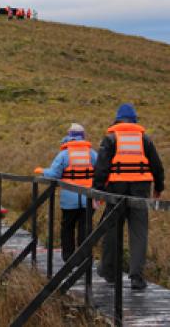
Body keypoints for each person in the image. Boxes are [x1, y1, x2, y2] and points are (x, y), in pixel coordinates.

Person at [94, 103, 164, 290]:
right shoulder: (144, 139)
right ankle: (136, 278)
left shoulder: (110, 139)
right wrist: (159, 187)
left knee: (112, 230)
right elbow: (157, 166)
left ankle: (109, 272)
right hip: (140, 189)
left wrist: (97, 192)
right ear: (134, 121)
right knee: (138, 233)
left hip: (115, 190)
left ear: (117, 119)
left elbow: (101, 168)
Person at [34, 124, 97, 262]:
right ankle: (84, 259)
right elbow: (101, 173)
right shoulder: (92, 154)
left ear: (69, 136)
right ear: (83, 136)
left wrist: (42, 171)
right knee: (85, 228)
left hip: (69, 200)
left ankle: (68, 258)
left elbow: (54, 174)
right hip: (89, 198)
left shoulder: (64, 154)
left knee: (68, 228)